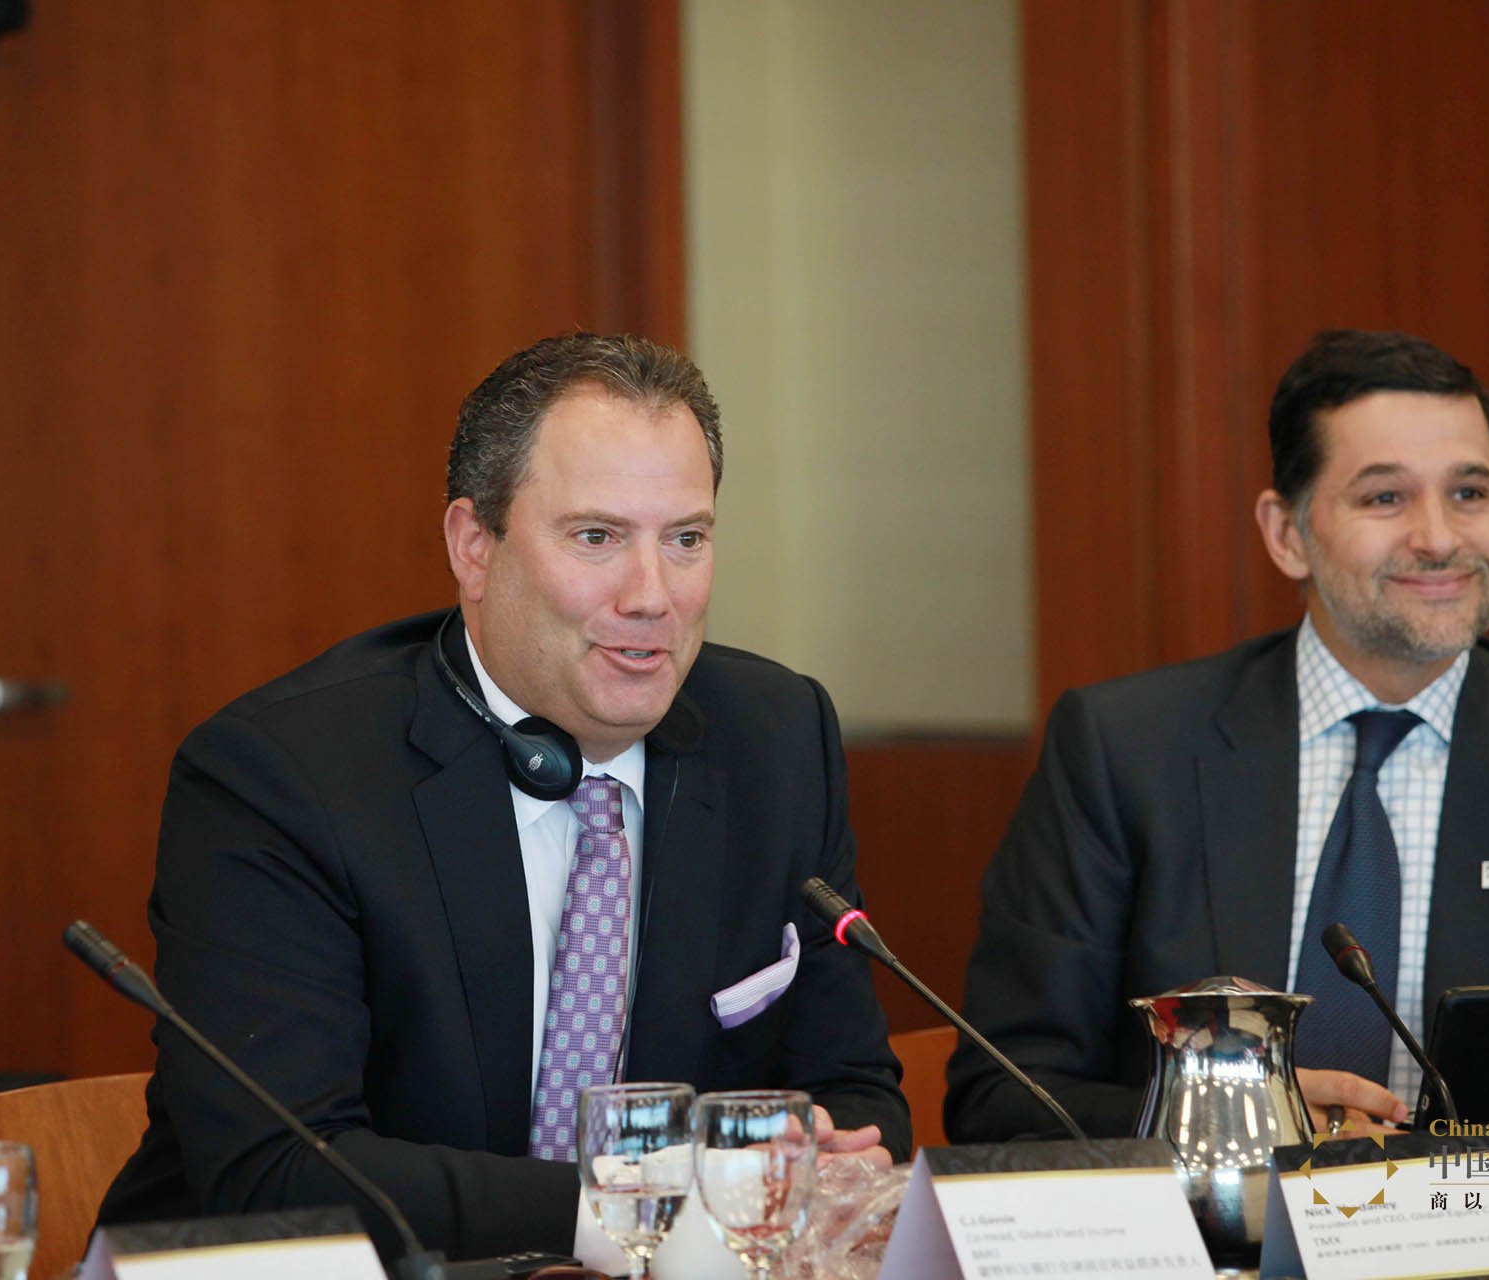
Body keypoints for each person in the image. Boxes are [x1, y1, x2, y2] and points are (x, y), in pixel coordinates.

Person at [98, 333, 909, 1258]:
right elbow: (280, 1170)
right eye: (597, 538)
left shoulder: (776, 738)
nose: (652, 596)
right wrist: (630, 1215)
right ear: (473, 547)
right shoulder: (282, 775)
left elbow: (854, 1091)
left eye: (686, 539)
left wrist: (832, 1157)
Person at [946, 329, 1489, 1144]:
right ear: (1287, 534)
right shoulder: (1125, 749)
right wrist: (1233, 1118)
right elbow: (1002, 1096)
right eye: (1385, 498)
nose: (1440, 537)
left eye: (1469, 492)